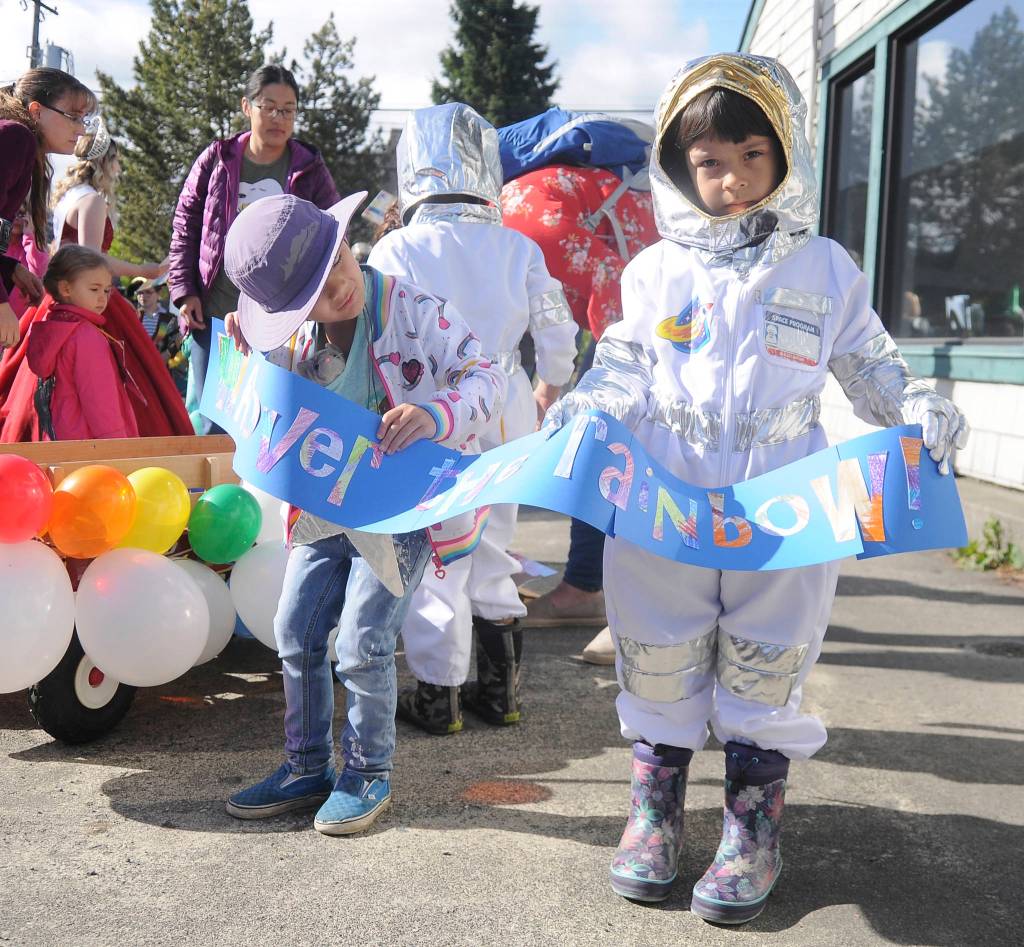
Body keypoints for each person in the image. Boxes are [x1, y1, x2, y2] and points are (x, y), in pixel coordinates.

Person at [541, 54, 969, 925]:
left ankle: (751, 826)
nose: (730, 179)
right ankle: (656, 813)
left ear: (784, 155)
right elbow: (622, 362)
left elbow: (872, 367)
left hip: (785, 503)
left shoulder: (823, 268)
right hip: (666, 495)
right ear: (678, 170)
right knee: (657, 653)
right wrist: (587, 406)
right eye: (708, 162)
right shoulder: (656, 272)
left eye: (749, 155)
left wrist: (921, 406)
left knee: (766, 662)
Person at [220, 192, 506, 834]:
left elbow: (485, 376)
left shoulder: (416, 310)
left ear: (348, 242)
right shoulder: (293, 334)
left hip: (399, 507)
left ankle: (367, 772)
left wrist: (436, 415)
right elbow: (275, 406)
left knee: (362, 644)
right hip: (324, 506)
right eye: (313, 296)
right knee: (294, 629)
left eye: (337, 270)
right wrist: (255, 359)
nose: (336, 293)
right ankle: (306, 766)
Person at [368, 103, 577, 736]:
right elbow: (558, 332)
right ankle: (501, 691)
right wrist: (547, 388)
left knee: (439, 548)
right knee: (494, 543)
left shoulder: (398, 246)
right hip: (506, 402)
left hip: (430, 409)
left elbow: (377, 332)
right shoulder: (518, 247)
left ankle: (440, 693)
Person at [502, 161, 660, 662]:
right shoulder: (505, 224)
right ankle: (592, 587)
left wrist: (554, 385)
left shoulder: (528, 224)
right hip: (626, 278)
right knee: (596, 439)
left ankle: (630, 608)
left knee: (610, 443)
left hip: (645, 308)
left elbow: (616, 296)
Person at [168, 64, 339, 434]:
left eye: (288, 109)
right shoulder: (217, 159)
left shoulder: (309, 168)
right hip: (213, 313)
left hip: (282, 318)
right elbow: (185, 225)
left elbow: (334, 231)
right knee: (214, 417)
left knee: (272, 415)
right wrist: (184, 292)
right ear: (247, 106)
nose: (279, 117)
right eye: (269, 106)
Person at [0, 120, 192, 441]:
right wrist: (146, 269)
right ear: (105, 162)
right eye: (117, 161)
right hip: (85, 296)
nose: (119, 169)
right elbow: (91, 259)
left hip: (60, 296)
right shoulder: (91, 200)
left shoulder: (66, 198)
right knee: (121, 386)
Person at [0, 67, 94, 352]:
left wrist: (10, 268)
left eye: (84, 119)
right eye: (73, 117)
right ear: (36, 111)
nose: (81, 129)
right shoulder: (16, 138)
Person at [25, 245, 140, 440]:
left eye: (106, 290)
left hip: (61, 437)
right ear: (65, 288)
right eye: (94, 289)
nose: (102, 298)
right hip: (92, 446)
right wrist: (117, 444)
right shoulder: (86, 336)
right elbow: (99, 399)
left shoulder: (52, 327)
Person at [5, 205, 49, 317]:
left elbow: (38, 269)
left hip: (21, 319)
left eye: (21, 214)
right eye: (13, 212)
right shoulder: (3, 243)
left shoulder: (32, 244)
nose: (16, 218)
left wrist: (29, 235)